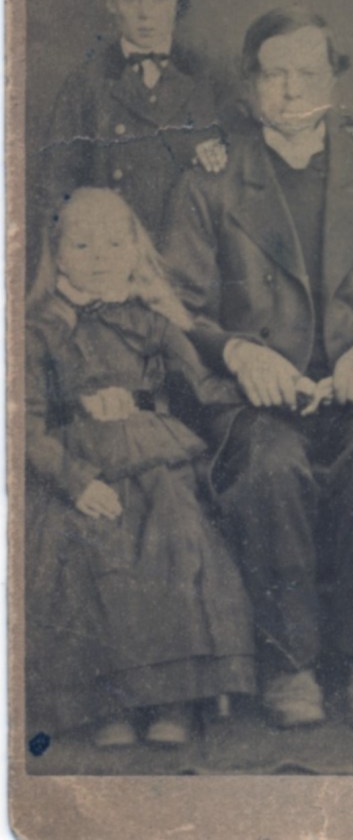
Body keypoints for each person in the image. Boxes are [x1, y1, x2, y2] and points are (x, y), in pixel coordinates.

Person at [164, 7, 353, 728]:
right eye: (275, 75)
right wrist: (237, 351)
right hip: (255, 396)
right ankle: (289, 665)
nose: (292, 90)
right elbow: (171, 304)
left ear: (334, 79)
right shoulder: (211, 179)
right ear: (249, 84)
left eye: (308, 73)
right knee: (269, 467)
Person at [26, 188, 254, 748]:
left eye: (113, 244)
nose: (99, 257)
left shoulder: (150, 321)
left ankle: (174, 699)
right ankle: (110, 702)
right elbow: (20, 422)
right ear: (57, 254)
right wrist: (74, 480)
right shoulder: (37, 329)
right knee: (91, 545)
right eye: (82, 245)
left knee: (176, 531)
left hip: (154, 455)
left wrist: (271, 388)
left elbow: (204, 386)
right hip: (77, 463)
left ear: (135, 251)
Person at [39, 0, 223, 246]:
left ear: (178, 2)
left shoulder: (210, 78)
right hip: (113, 254)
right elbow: (56, 186)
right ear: (111, 2)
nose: (145, 13)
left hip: (190, 253)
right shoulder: (86, 84)